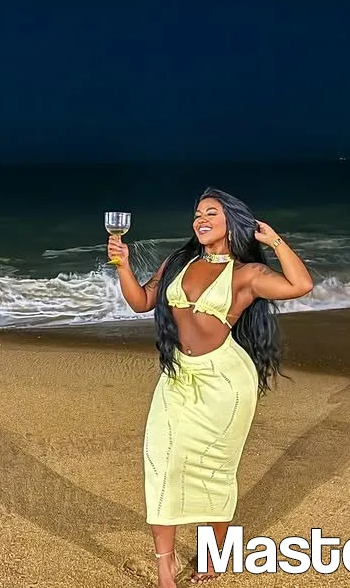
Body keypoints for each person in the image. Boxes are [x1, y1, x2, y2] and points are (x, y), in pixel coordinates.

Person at [108, 187, 314, 587]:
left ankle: (213, 553)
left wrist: (274, 241)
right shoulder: (178, 262)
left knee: (215, 470)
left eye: (211, 213)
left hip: (224, 382)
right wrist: (123, 265)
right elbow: (141, 301)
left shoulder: (246, 274)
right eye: (197, 214)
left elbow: (300, 284)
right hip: (178, 377)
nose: (200, 220)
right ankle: (165, 567)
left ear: (230, 222)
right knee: (161, 463)